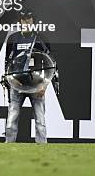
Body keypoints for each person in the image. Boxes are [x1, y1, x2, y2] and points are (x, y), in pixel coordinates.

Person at [4, 10, 57, 144]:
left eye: (29, 19)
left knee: (40, 121)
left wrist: (44, 85)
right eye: (23, 19)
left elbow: (50, 64)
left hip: (37, 85)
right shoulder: (13, 39)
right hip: (17, 85)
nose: (26, 22)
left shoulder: (41, 38)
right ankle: (7, 147)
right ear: (19, 22)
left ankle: (42, 147)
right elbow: (7, 62)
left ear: (33, 21)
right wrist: (11, 80)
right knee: (11, 120)